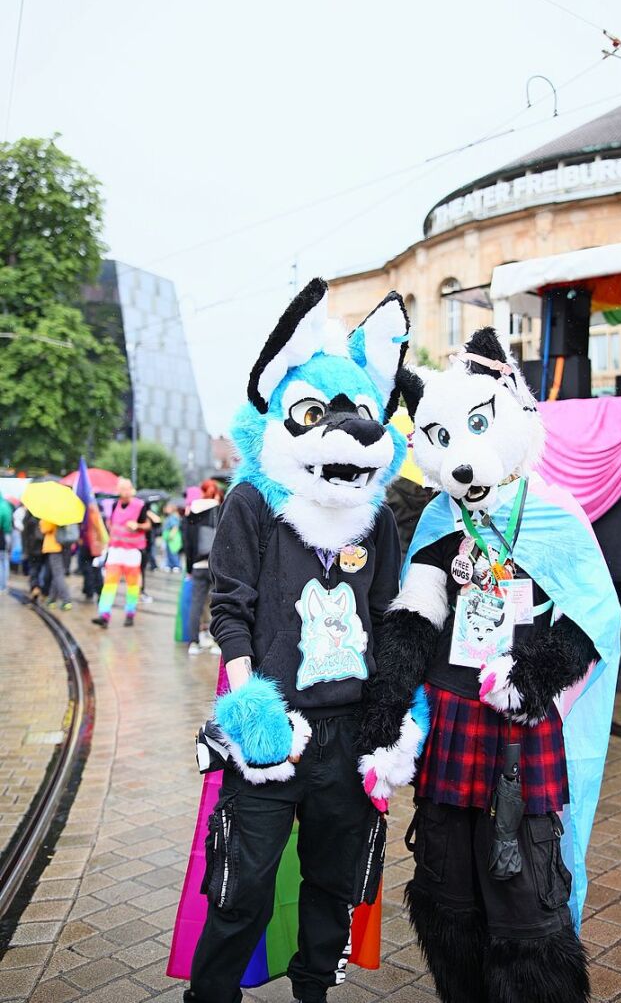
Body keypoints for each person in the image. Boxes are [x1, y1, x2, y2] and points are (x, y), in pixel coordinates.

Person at [357, 329, 621, 1003]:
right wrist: (386, 703)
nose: (461, 455)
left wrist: (536, 676)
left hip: (517, 725)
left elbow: (592, 616)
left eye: (474, 426)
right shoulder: (436, 522)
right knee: (447, 879)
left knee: (523, 885)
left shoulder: (554, 515)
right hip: (449, 722)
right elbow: (413, 617)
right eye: (440, 436)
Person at [175, 278, 415, 1003]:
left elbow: (390, 618)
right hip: (275, 729)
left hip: (348, 734)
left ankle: (314, 989)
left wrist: (391, 721)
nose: (344, 430)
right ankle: (210, 996)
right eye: (317, 411)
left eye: (359, 413)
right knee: (242, 884)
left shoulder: (377, 518)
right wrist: (252, 708)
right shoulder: (251, 501)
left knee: (332, 883)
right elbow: (231, 608)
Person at [92, 477, 151, 628]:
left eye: (127, 488)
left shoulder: (140, 505)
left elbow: (148, 525)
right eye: (122, 489)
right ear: (118, 491)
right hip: (116, 549)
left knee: (132, 585)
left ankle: (130, 614)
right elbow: (111, 525)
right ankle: (104, 615)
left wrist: (137, 525)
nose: (125, 492)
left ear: (131, 490)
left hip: (132, 552)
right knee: (109, 584)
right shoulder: (113, 505)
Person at [184, 481, 222, 656]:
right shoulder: (220, 510)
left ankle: (193, 642)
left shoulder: (192, 512)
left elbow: (188, 542)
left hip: (197, 565)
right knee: (218, 605)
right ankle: (216, 642)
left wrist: (189, 566)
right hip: (216, 566)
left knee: (196, 604)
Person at [39, 519, 73, 610]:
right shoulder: (66, 513)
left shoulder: (51, 515)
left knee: (58, 574)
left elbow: (44, 529)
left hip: (54, 546)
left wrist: (42, 521)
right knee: (57, 574)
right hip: (65, 546)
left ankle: (66, 600)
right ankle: (52, 599)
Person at [22, 507, 47, 601]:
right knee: (42, 568)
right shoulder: (46, 514)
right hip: (43, 546)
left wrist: (25, 549)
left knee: (34, 568)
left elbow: (24, 533)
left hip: (32, 547)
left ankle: (35, 587)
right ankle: (41, 588)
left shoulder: (29, 515)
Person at [162, 503, 183, 572]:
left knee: (173, 551)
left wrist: (172, 534)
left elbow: (175, 527)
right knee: (169, 551)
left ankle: (176, 565)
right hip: (168, 536)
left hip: (172, 537)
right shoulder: (170, 516)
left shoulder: (173, 517)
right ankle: (170, 565)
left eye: (168, 508)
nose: (166, 509)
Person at [0, 494, 12, 594]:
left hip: (2, 536)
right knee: (5, 561)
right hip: (5, 535)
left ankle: (1, 586)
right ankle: (4, 585)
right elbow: (7, 524)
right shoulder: (6, 506)